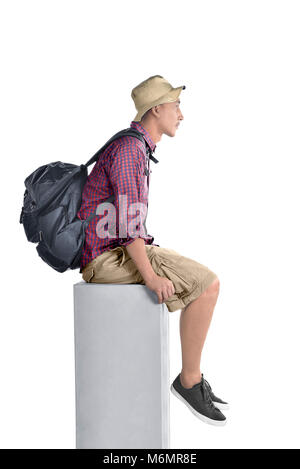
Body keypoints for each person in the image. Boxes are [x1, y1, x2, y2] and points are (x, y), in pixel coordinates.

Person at [77, 75, 229, 426]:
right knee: (207, 285)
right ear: (156, 108)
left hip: (111, 250)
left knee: (201, 281)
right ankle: (189, 381)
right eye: (176, 106)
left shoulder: (134, 147)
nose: (181, 115)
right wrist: (150, 276)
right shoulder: (131, 150)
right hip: (106, 258)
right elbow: (129, 225)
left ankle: (191, 379)